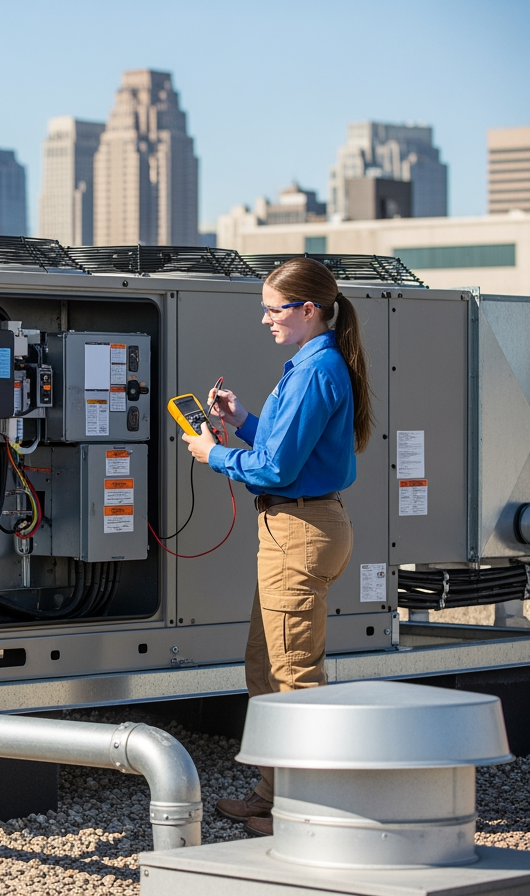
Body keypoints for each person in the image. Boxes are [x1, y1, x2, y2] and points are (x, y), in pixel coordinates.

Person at [181, 257, 372, 838]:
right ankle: (273, 797)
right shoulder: (315, 365)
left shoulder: (316, 371)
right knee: (267, 668)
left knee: (294, 677)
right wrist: (241, 422)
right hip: (298, 529)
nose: (265, 319)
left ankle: (310, 812)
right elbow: (293, 448)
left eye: (273, 308)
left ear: (307, 309)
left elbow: (277, 467)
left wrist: (213, 454)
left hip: (300, 533)